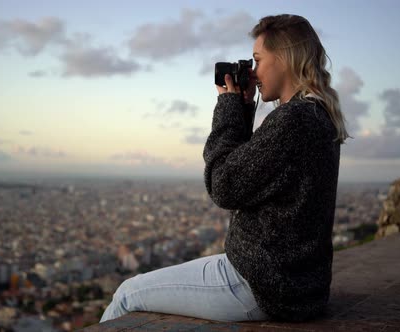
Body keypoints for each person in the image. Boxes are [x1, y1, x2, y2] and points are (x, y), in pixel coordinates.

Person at [99, 13, 348, 324]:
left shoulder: (293, 120)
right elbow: (251, 175)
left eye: (258, 60)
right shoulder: (317, 115)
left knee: (126, 294)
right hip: (297, 286)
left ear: (284, 58)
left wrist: (227, 108)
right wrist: (244, 110)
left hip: (262, 285)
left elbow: (224, 185)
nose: (254, 73)